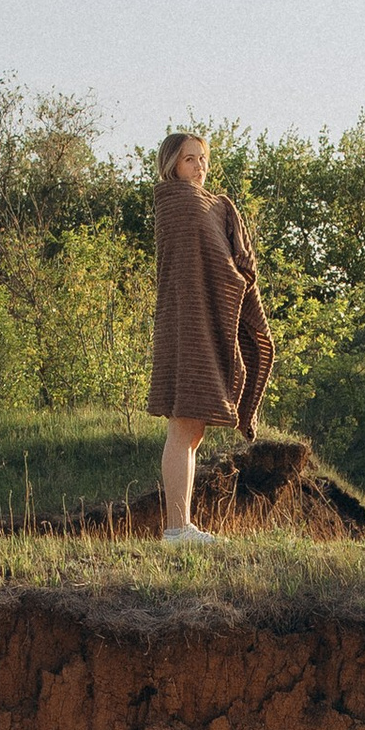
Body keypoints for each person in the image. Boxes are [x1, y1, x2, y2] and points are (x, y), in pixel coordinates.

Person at [147, 129, 273, 543]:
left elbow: (218, 262)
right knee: (183, 427)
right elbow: (211, 264)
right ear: (171, 165)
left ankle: (182, 525)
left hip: (197, 322)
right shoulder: (177, 204)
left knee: (193, 430)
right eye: (189, 159)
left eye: (202, 158)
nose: (199, 167)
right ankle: (176, 528)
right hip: (187, 326)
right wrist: (235, 274)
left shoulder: (210, 205)